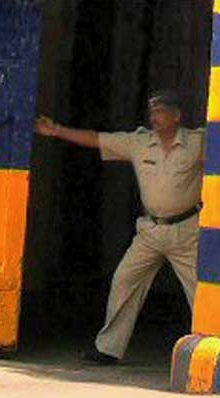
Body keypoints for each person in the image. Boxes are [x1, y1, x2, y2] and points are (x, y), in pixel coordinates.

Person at [34, 90, 205, 365]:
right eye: (152, 111)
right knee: (124, 281)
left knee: (202, 289)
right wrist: (56, 131)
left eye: (160, 111)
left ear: (176, 116)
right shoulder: (139, 142)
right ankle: (108, 348)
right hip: (150, 231)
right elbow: (98, 139)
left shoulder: (198, 142)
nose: (154, 117)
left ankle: (213, 343)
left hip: (186, 231)